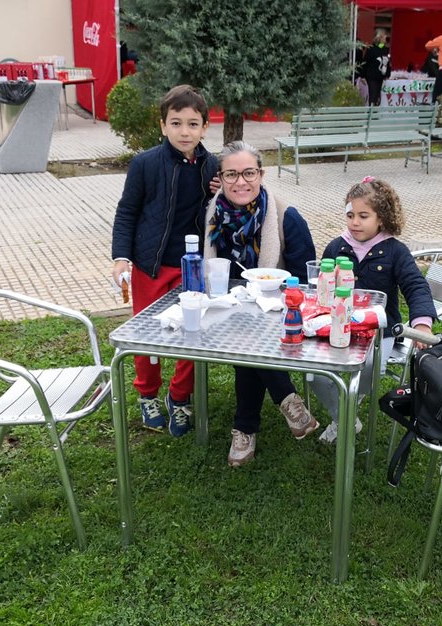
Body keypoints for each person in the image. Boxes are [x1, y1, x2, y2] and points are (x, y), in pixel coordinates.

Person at [111, 84, 219, 437]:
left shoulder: (212, 167)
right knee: (148, 336)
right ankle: (147, 395)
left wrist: (220, 191)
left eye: (192, 124)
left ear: (204, 127)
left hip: (192, 267)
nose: (184, 132)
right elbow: (127, 212)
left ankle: (180, 396)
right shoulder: (144, 164)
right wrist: (121, 257)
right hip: (150, 266)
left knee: (193, 333)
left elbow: (221, 210)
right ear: (163, 125)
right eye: (176, 123)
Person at [203, 141, 319, 467]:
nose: (241, 182)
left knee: (248, 340)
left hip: (280, 314)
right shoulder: (212, 215)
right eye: (231, 174)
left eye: (249, 173)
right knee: (244, 332)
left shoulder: (286, 217)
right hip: (228, 311)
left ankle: (244, 428)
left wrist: (274, 301)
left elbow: (304, 282)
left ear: (261, 174)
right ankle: (288, 399)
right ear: (221, 178)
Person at [310, 177, 437, 444]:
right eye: (350, 215)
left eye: (363, 216)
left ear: (382, 218)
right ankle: (345, 418)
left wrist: (422, 323)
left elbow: (416, 286)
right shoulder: (336, 247)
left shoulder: (395, 251)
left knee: (368, 371)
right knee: (314, 374)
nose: (355, 222)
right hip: (337, 325)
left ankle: (343, 412)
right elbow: (321, 288)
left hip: (380, 332)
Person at [360, 30, 391, 106]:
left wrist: (387, 74)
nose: (386, 37)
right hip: (372, 77)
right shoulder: (371, 49)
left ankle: (375, 111)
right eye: (384, 36)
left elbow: (388, 63)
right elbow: (365, 62)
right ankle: (372, 111)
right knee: (373, 97)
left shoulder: (385, 49)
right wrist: (362, 76)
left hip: (381, 77)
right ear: (380, 37)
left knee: (378, 98)